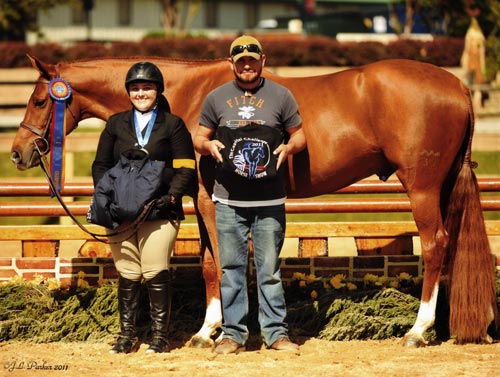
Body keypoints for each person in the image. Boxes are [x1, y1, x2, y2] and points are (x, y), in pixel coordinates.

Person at [194, 35, 306, 355]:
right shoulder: (216, 98)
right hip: (229, 199)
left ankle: (276, 334)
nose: (246, 65)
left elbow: (300, 136)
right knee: (231, 270)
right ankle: (233, 335)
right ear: (231, 63)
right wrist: (208, 145)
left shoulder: (281, 96)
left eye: (252, 60)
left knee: (269, 271)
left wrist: (289, 147)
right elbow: (199, 136)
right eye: (240, 60)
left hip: (270, 198)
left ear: (262, 61)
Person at [92, 61, 196, 354]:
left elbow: (186, 166)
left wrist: (172, 196)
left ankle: (159, 337)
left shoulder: (172, 124)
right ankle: (127, 335)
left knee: (154, 269)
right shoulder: (115, 123)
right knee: (127, 272)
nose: (141, 93)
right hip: (121, 211)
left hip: (159, 210)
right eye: (135, 88)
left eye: (147, 87)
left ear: (157, 91)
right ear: (129, 92)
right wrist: (107, 196)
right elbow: (101, 164)